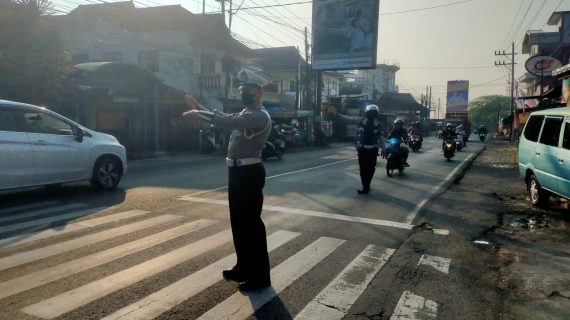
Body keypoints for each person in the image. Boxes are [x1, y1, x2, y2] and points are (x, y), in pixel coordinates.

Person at [182, 69, 272, 292]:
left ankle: (260, 277)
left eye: (247, 90)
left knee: (251, 226)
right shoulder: (245, 112)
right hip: (237, 173)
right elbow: (226, 116)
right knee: (239, 224)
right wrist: (201, 106)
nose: (243, 93)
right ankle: (244, 267)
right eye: (241, 89)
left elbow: (226, 122)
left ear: (258, 92)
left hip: (249, 173)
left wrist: (199, 112)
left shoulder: (260, 115)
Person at [330, 104, 384, 194]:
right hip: (363, 149)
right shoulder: (361, 121)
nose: (372, 114)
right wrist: (337, 114)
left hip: (373, 150)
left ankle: (367, 185)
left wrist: (384, 149)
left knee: (371, 169)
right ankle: (365, 186)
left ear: (376, 114)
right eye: (370, 112)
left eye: (373, 113)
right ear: (367, 113)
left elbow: (381, 137)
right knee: (363, 169)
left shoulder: (378, 124)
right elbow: (348, 119)